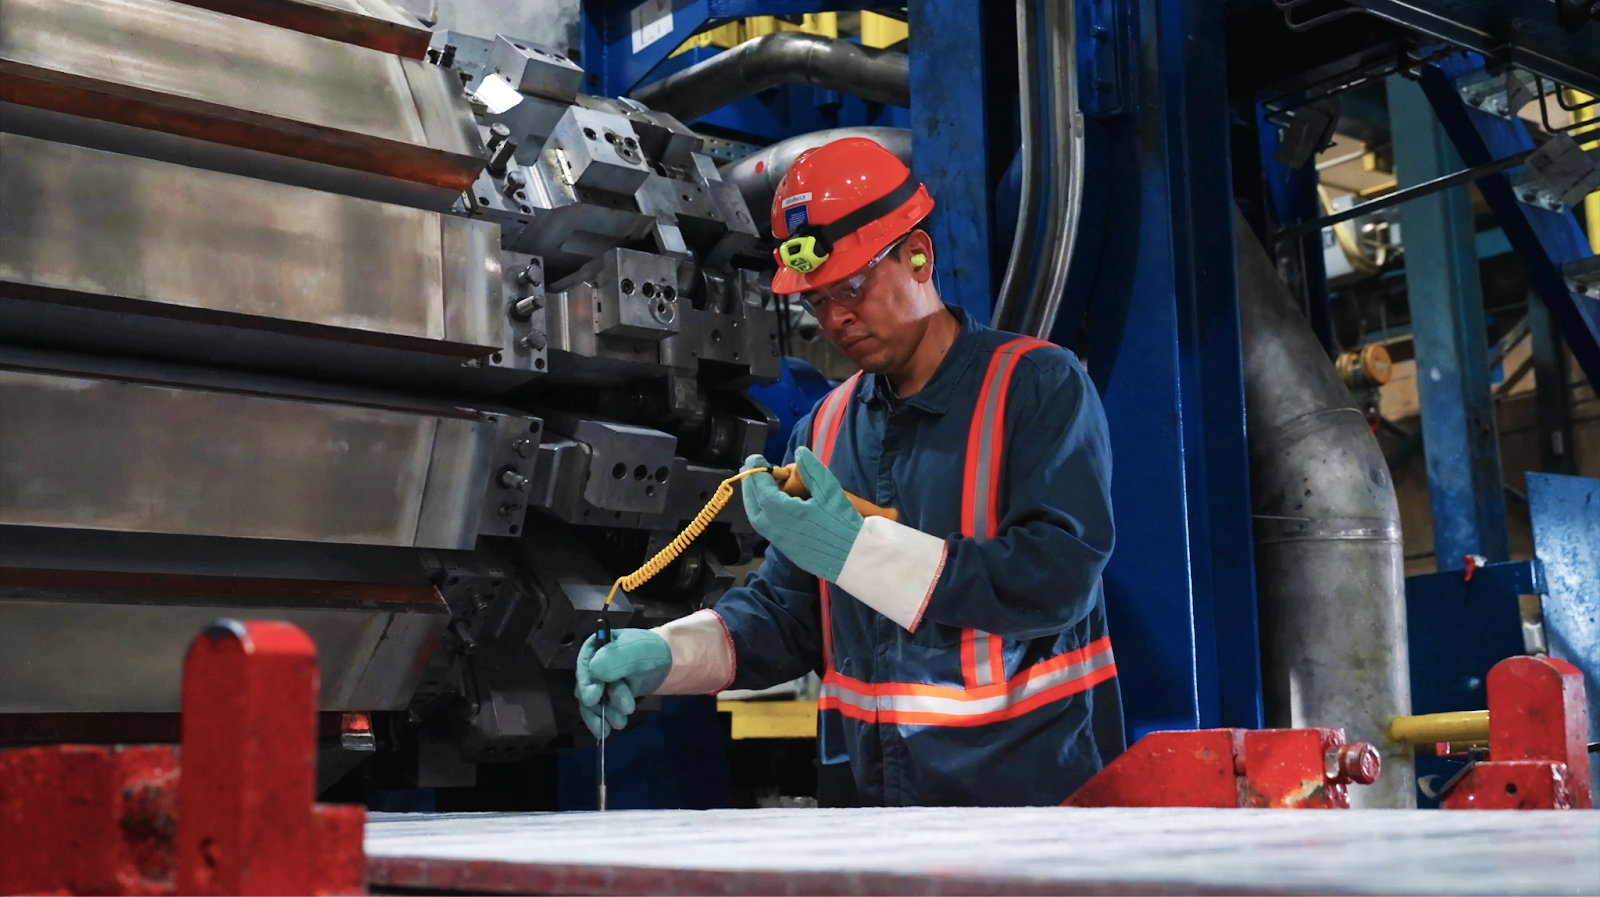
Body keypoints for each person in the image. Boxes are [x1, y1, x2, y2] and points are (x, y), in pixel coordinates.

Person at [574, 137, 1122, 806]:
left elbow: (1056, 577)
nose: (835, 317)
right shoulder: (826, 431)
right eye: (815, 301)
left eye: (853, 286)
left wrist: (860, 552)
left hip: (1031, 811)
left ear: (918, 254)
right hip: (874, 815)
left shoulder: (1036, 388)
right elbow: (786, 615)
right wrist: (665, 653)